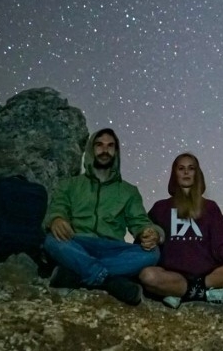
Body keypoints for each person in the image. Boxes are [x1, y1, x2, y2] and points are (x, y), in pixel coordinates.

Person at [43, 128, 163, 305]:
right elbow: (57, 208)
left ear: (116, 151)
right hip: (78, 242)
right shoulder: (70, 185)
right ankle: (109, 281)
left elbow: (140, 221)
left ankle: (78, 274)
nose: (105, 150)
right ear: (91, 149)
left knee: (152, 253)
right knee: (51, 240)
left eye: (110, 146)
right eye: (99, 145)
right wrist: (57, 219)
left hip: (112, 248)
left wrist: (150, 232)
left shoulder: (128, 191)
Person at [139, 152, 223, 308]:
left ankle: (182, 294)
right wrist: (147, 238)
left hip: (208, 276)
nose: (186, 172)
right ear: (175, 175)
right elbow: (147, 236)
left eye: (191, 168)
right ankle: (207, 295)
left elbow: (221, 240)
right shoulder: (160, 208)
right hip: (174, 276)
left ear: (197, 174)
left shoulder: (210, 207)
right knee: (148, 276)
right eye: (181, 168)